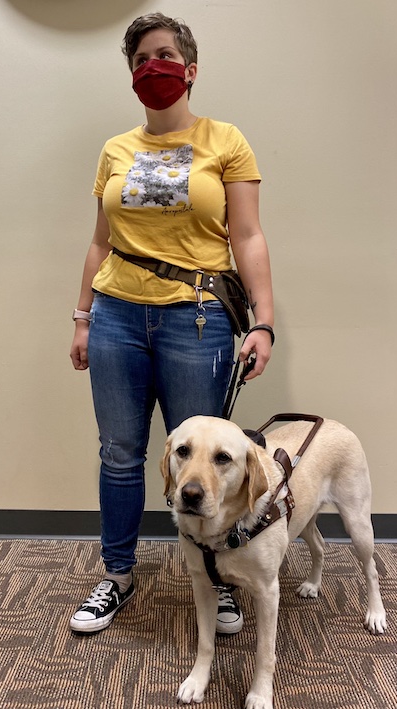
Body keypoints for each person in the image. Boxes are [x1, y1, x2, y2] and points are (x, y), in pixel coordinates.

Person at [69, 12, 274, 636]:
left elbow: (248, 235)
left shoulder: (226, 140)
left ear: (188, 68)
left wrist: (263, 321)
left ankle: (223, 578)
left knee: (208, 463)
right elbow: (101, 242)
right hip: (116, 319)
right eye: (139, 60)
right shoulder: (116, 150)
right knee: (122, 453)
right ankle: (117, 576)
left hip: (199, 321)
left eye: (161, 56)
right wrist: (82, 317)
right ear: (131, 75)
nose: (150, 68)